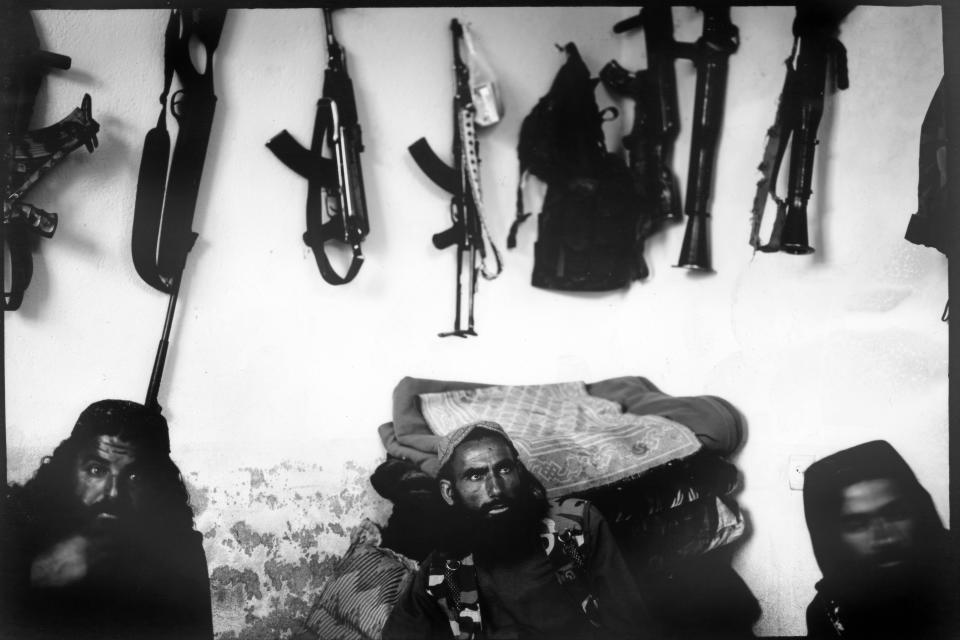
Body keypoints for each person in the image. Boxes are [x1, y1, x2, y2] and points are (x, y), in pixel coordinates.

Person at [383, 420, 657, 640]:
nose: (495, 490)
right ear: (449, 492)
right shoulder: (442, 568)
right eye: (475, 476)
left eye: (504, 470)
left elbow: (630, 623)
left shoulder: (576, 524)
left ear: (520, 473)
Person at [0, 399, 213, 640]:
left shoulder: (181, 550)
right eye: (95, 470)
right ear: (67, 470)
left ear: (157, 484)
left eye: (134, 476)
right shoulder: (15, 526)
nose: (113, 493)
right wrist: (38, 571)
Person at [802, 440, 954, 639]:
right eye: (858, 525)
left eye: (896, 514)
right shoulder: (827, 612)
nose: (886, 538)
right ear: (830, 537)